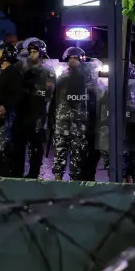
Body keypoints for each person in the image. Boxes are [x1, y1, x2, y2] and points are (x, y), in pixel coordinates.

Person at [50, 47, 97, 181]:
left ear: (81, 60)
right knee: (60, 150)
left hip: (79, 122)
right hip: (62, 121)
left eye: (75, 58)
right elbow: (55, 99)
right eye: (70, 58)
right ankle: (58, 177)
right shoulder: (62, 78)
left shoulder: (88, 79)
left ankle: (74, 180)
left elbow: (93, 100)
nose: (72, 61)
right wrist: (52, 118)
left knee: (78, 153)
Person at [17, 38, 55, 178]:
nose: (32, 54)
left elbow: (49, 93)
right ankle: (18, 170)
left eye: (35, 52)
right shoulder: (23, 67)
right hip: (23, 109)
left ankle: (34, 171)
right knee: (20, 143)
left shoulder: (48, 71)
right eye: (31, 51)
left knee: (35, 144)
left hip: (38, 111)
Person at [0, 43, 24, 176]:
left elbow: (17, 95)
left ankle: (3, 174)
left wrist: (6, 106)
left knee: (3, 145)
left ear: (6, 55)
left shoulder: (13, 73)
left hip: (6, 116)